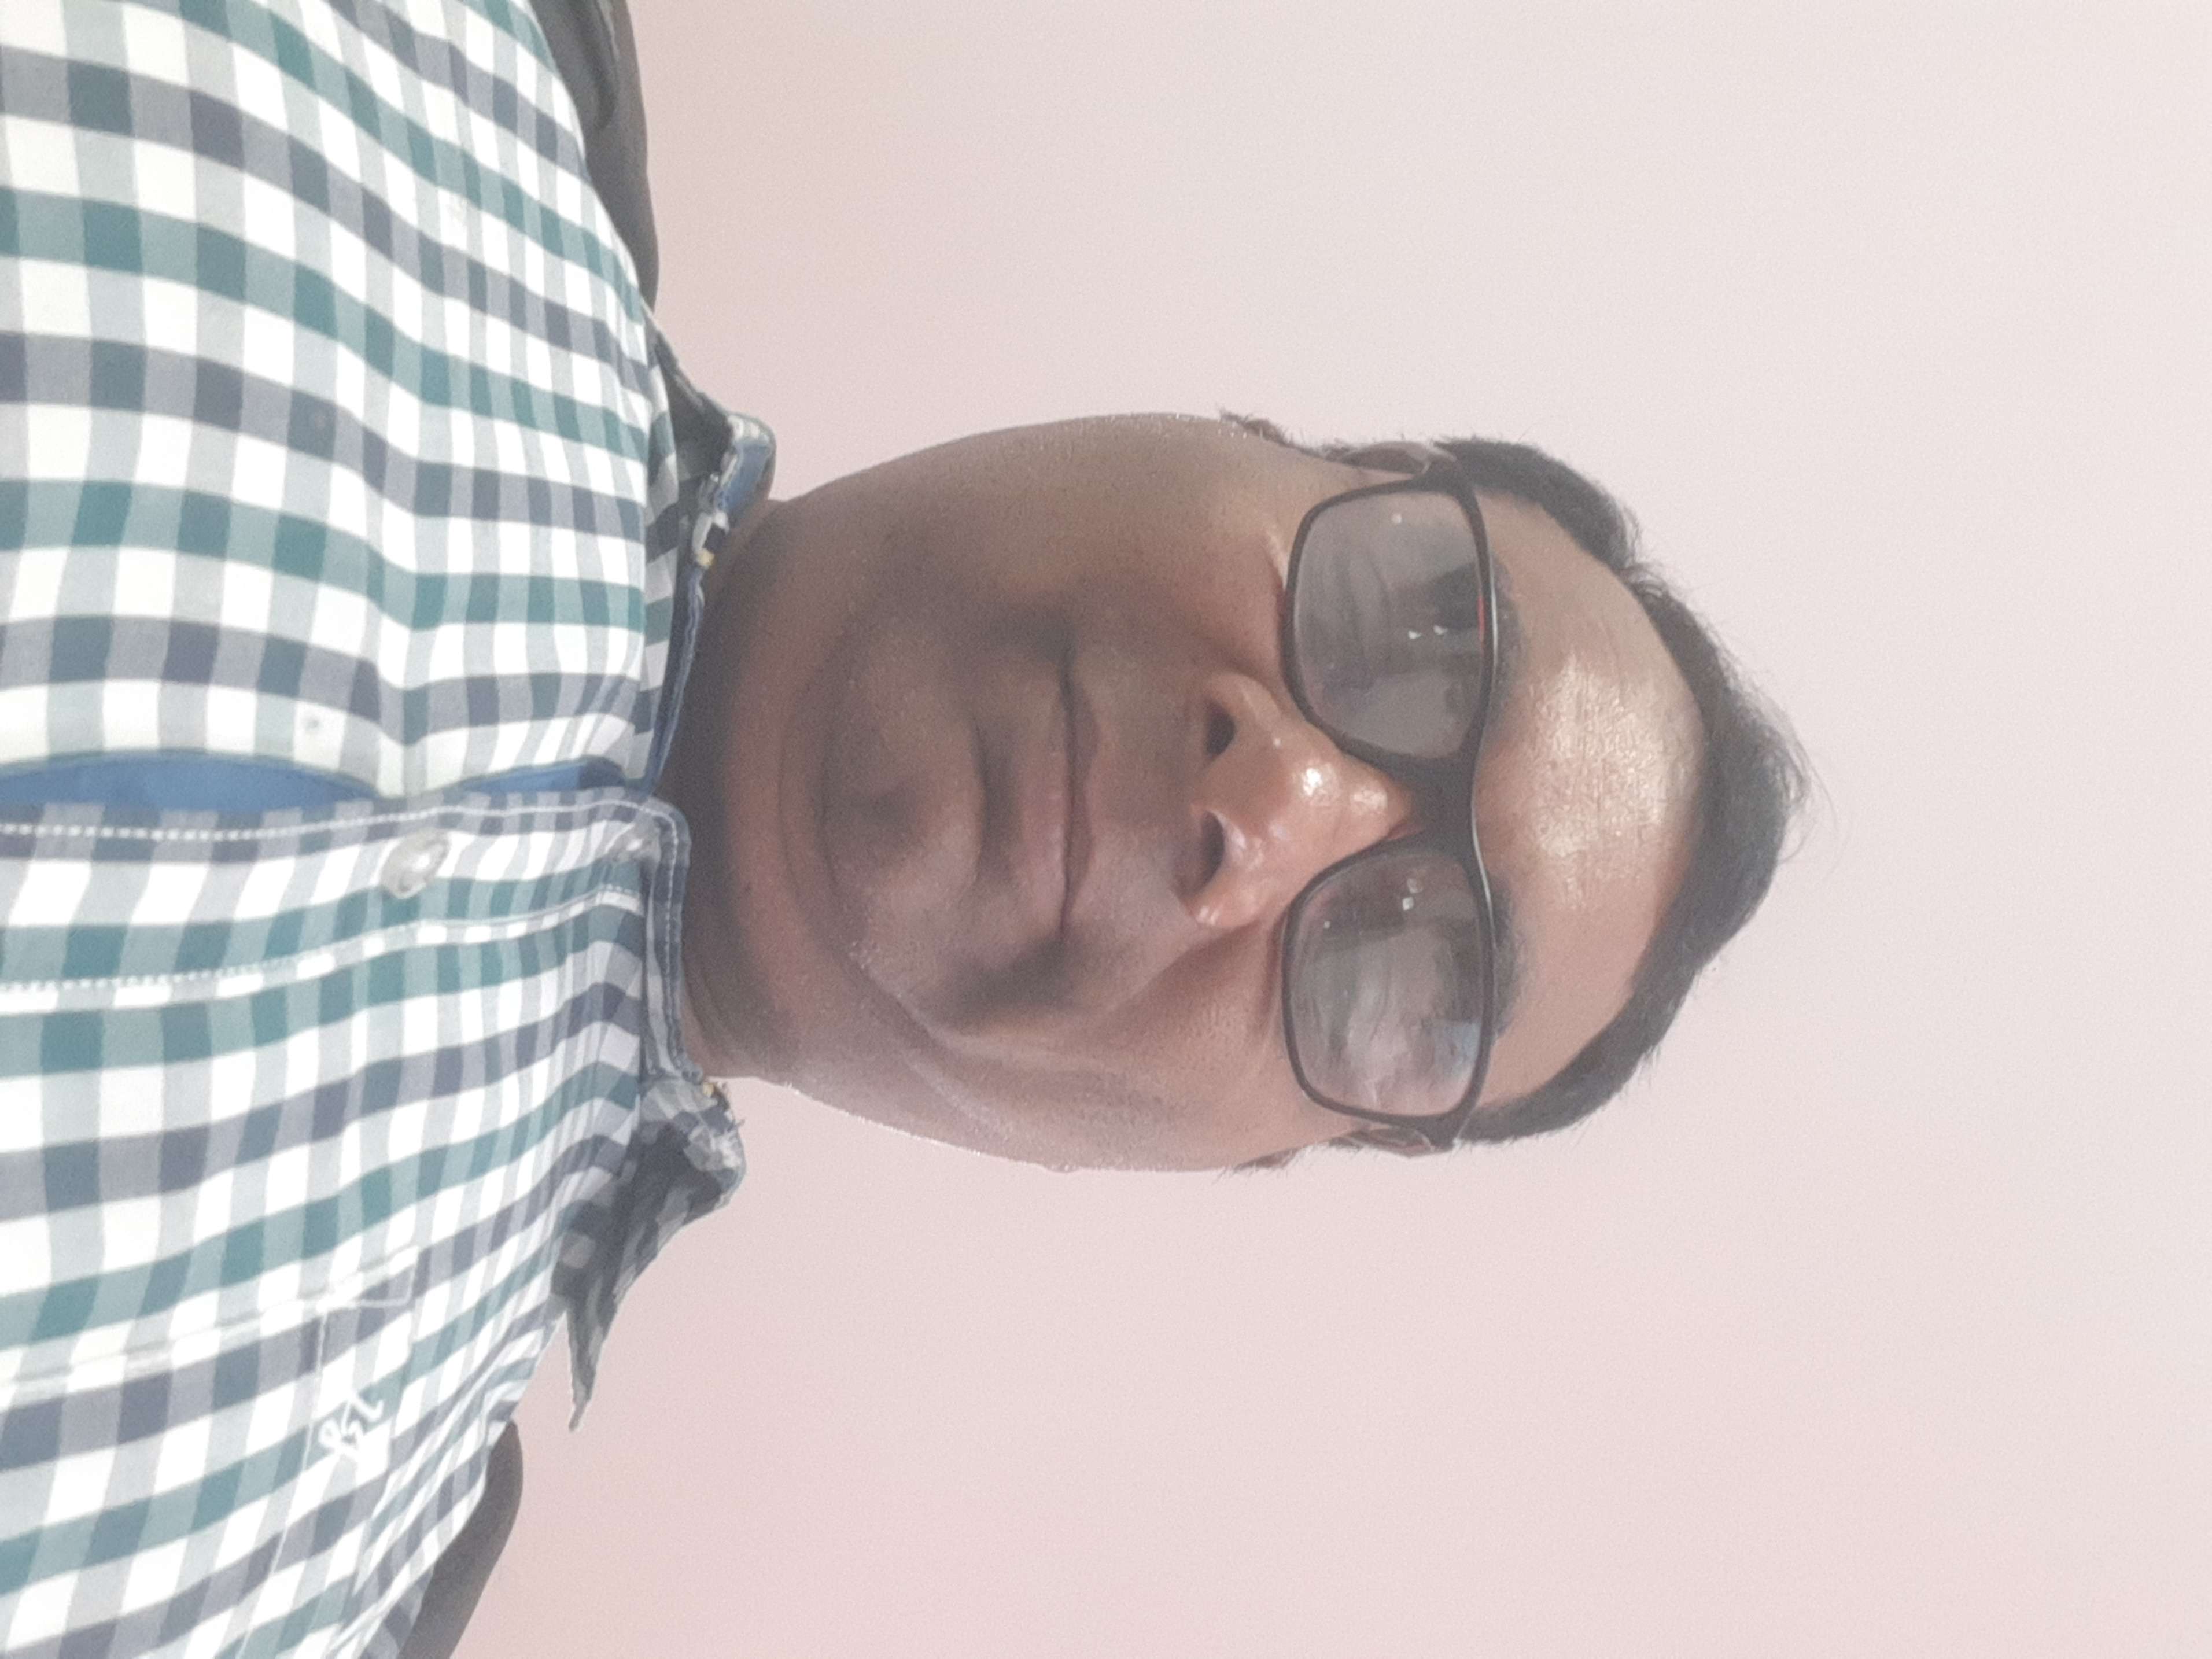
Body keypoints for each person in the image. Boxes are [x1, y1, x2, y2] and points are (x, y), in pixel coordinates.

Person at [0, 1, 1802, 1656]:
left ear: (1251, 1153)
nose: (1267, 801)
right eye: (1410, 627)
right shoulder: (469, 41)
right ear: (1264, 438)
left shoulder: (343, 1590)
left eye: (1410, 979)